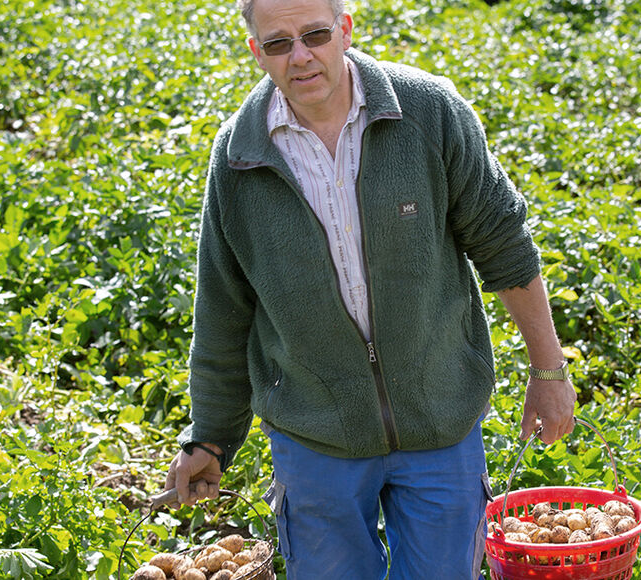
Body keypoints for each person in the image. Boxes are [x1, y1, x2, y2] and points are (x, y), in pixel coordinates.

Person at [163, 0, 577, 576]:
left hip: (439, 419)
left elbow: (503, 243)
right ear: (257, 52)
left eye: (315, 34)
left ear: (346, 30)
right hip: (316, 434)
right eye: (279, 43)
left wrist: (549, 372)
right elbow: (224, 308)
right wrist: (210, 437)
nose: (301, 56)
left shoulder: (427, 112)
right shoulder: (240, 155)